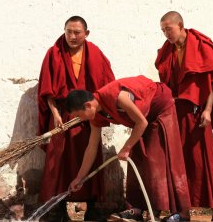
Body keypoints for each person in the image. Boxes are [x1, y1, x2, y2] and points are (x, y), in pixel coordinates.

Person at [66, 75, 191, 222]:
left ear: (87, 106)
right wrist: (80, 178)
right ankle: (137, 209)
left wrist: (126, 147)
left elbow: (142, 123)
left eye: (79, 116)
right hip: (142, 119)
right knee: (137, 158)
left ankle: (179, 213)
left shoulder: (117, 96)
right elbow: (91, 147)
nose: (81, 120)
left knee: (155, 159)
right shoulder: (95, 117)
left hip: (160, 108)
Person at [155, 11, 213, 221]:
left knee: (205, 160)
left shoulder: (200, 45)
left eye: (168, 29)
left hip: (198, 112)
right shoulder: (166, 51)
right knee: (178, 161)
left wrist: (208, 110)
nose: (166, 34)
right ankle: (182, 211)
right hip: (176, 112)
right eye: (163, 30)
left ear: (180, 25)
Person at [37, 15, 115, 221]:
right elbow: (47, 91)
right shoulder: (53, 54)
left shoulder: (96, 54)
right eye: (68, 31)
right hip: (63, 117)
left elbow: (107, 86)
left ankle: (91, 206)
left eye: (77, 32)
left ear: (86, 34)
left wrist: (96, 112)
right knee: (59, 161)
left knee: (87, 156)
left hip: (88, 117)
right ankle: (58, 208)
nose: (72, 36)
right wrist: (55, 115)